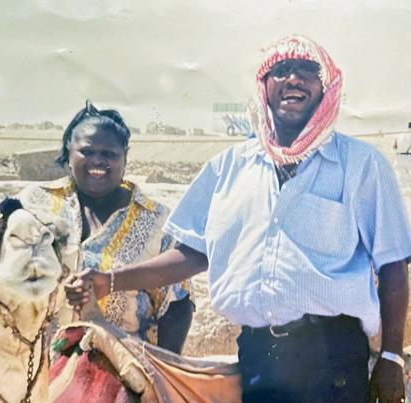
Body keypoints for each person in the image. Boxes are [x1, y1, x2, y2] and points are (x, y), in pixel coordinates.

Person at [66, 36, 411, 402]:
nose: (294, 79)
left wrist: (391, 357)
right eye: (281, 70)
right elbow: (192, 254)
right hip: (258, 357)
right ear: (264, 86)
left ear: (325, 86)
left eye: (307, 70)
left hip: (333, 357)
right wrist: (110, 281)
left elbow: (392, 264)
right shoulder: (229, 167)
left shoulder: (361, 164)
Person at [0, 101, 193, 394]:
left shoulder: (158, 221)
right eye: (87, 151)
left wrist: (164, 379)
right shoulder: (34, 204)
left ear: (125, 157)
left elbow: (178, 303)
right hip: (34, 369)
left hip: (122, 373)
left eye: (109, 154)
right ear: (69, 152)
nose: (98, 161)